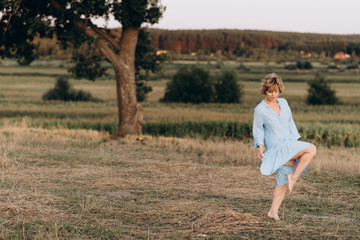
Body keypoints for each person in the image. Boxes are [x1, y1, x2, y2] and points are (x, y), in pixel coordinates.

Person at [252, 73, 317, 221]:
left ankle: (272, 212)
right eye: (270, 91)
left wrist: (295, 140)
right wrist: (260, 146)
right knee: (312, 149)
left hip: (289, 141)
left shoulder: (284, 103)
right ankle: (293, 178)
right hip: (277, 146)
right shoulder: (260, 109)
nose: (273, 95)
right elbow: (258, 129)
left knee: (281, 182)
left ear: (280, 90)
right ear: (264, 90)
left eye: (276, 91)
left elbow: (290, 121)